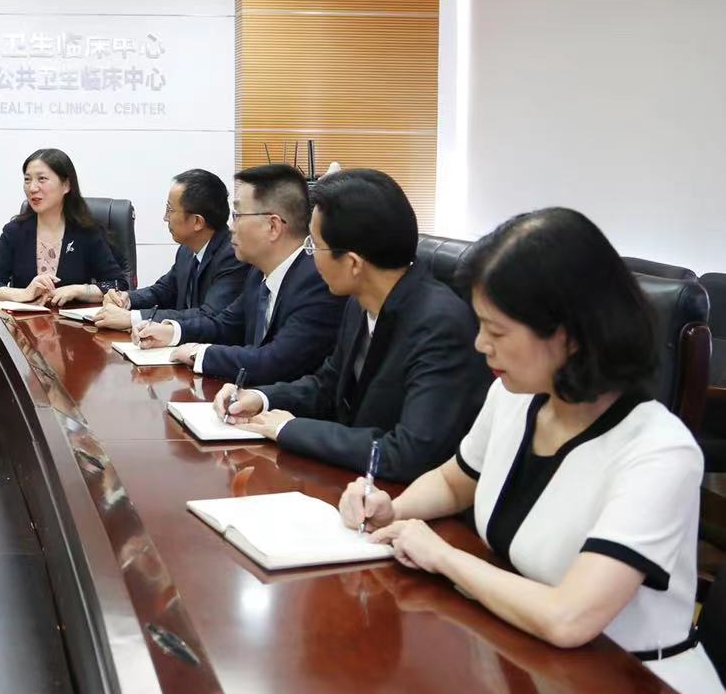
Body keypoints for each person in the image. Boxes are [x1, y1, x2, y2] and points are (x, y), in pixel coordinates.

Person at [341, 208, 726, 694]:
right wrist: (393, 509)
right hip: (533, 668)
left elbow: (570, 618)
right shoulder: (515, 395)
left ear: (571, 334)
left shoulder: (658, 451)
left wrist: (442, 557)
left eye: (496, 331)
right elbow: (456, 480)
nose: (480, 344)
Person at [213, 169, 492, 480]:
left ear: (353, 263)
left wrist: (289, 428)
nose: (310, 258)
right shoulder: (360, 301)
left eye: (314, 246)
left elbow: (410, 452)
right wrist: (261, 398)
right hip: (357, 480)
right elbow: (327, 385)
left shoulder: (439, 325)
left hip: (401, 496)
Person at [139, 163, 341, 384]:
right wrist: (172, 331)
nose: (231, 227)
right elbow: (225, 325)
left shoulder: (316, 281)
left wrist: (200, 353)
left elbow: (276, 361)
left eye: (237, 215)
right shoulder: (258, 274)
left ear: (273, 226)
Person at [93, 168, 246, 331]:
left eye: (170, 210)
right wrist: (126, 299)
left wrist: (133, 318)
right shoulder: (186, 250)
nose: (165, 218)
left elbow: (209, 315)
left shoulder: (233, 255)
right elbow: (163, 291)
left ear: (197, 222)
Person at [0, 148, 127, 306]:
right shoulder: (15, 231)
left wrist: (78, 290)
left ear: (66, 185)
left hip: (71, 320)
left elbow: (118, 284)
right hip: (24, 319)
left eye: (42, 179)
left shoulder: (86, 232)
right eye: (27, 180)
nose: (32, 188)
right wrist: (24, 293)